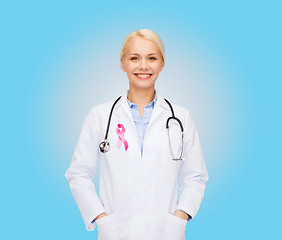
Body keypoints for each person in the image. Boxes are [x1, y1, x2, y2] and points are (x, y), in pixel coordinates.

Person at [65, 29, 208, 240]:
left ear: (162, 63)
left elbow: (195, 177)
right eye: (134, 58)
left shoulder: (181, 117)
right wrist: (101, 217)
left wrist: (179, 218)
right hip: (117, 232)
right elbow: (78, 174)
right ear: (123, 63)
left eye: (152, 58)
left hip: (166, 233)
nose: (143, 66)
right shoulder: (100, 116)